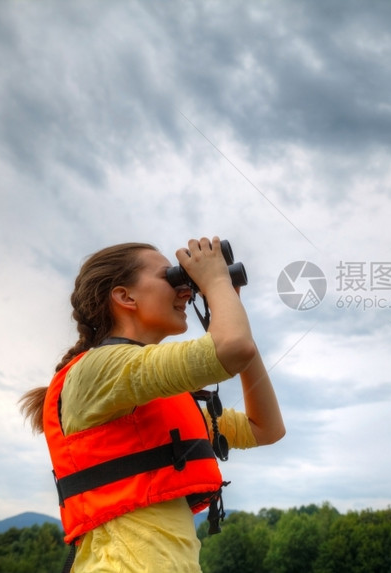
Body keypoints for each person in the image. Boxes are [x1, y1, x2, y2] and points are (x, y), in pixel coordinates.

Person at [19, 236, 284, 572]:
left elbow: (266, 428)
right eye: (171, 278)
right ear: (124, 296)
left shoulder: (158, 403)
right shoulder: (97, 370)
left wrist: (231, 307)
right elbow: (233, 348)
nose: (186, 291)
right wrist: (217, 282)